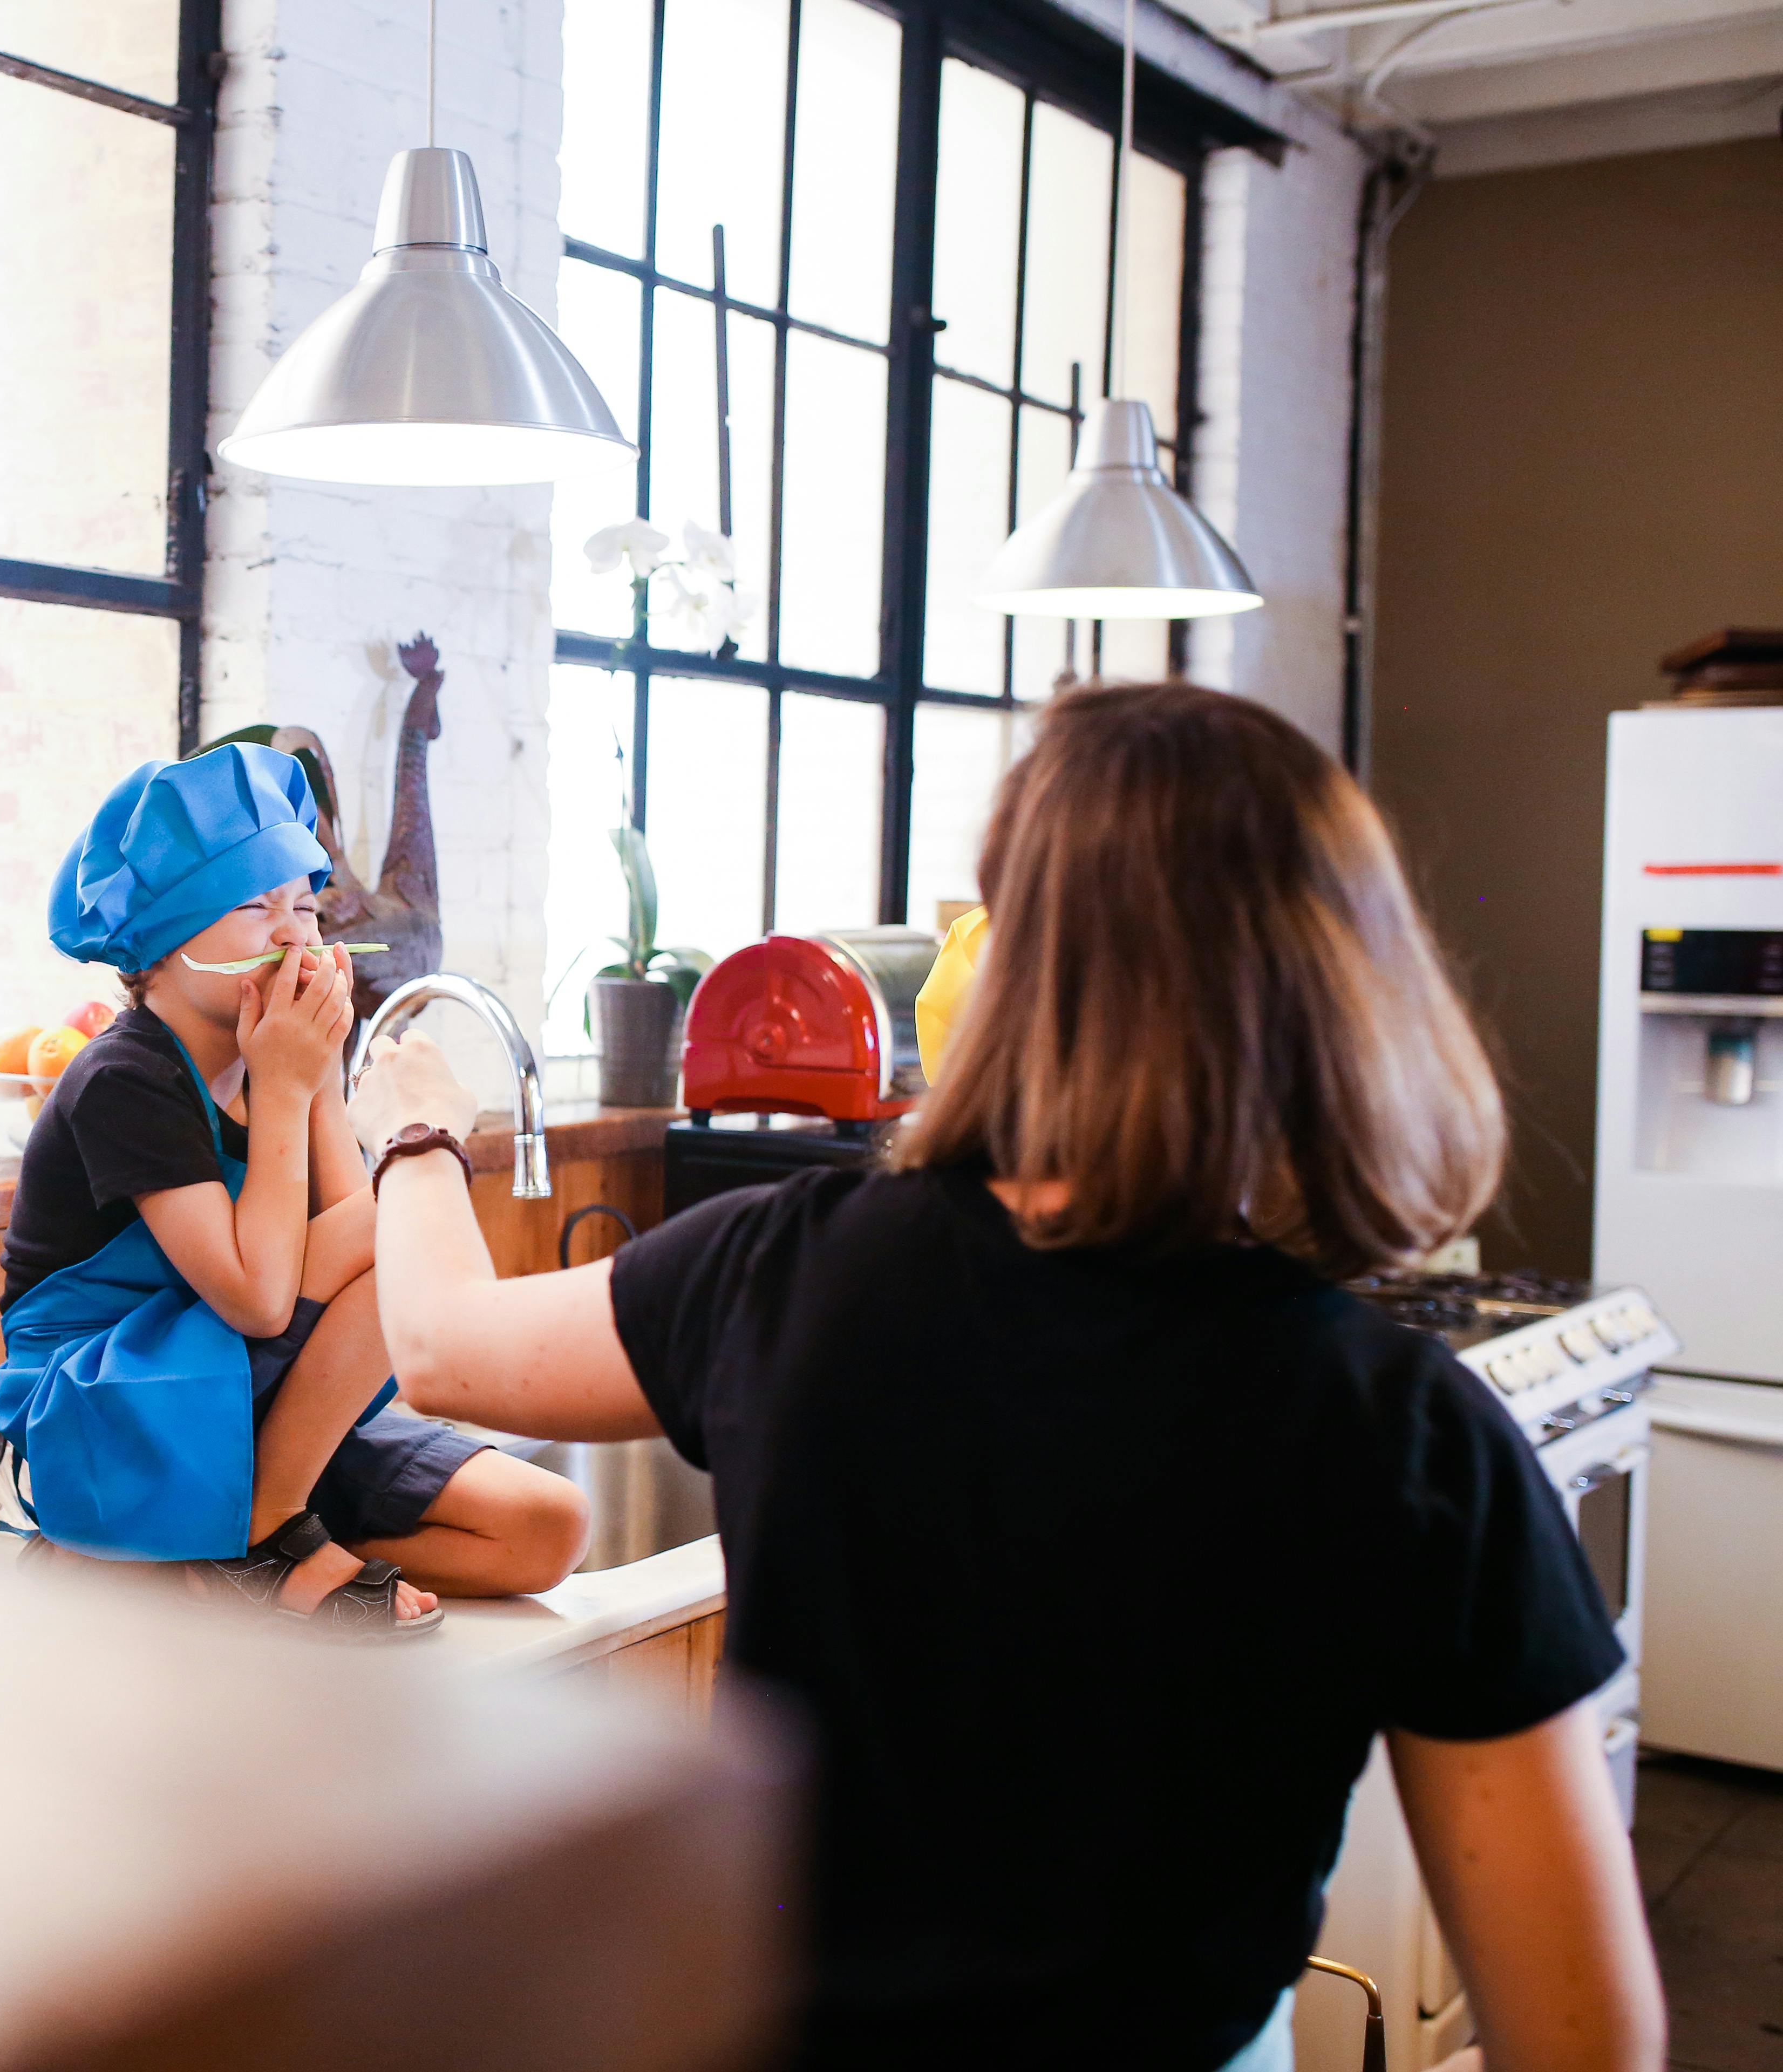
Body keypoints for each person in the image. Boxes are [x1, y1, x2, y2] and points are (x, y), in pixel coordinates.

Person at [349, 685, 1664, 2070]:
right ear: (1345, 983)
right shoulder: (1404, 1431)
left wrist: (420, 1137)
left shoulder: (783, 1272)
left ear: (1015, 961)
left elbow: (443, 1349)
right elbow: (1586, 2042)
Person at [0, 743, 586, 1639]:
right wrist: (305, 1092)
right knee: (408, 1210)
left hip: (247, 1398)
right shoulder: (127, 1077)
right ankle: (265, 1534)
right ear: (163, 939)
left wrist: (317, 1079)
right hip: (110, 1406)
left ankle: (202, 1553)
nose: (294, 934)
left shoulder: (276, 1054)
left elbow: (359, 1242)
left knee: (547, 1530)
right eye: (254, 906)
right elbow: (262, 1297)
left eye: (305, 906)